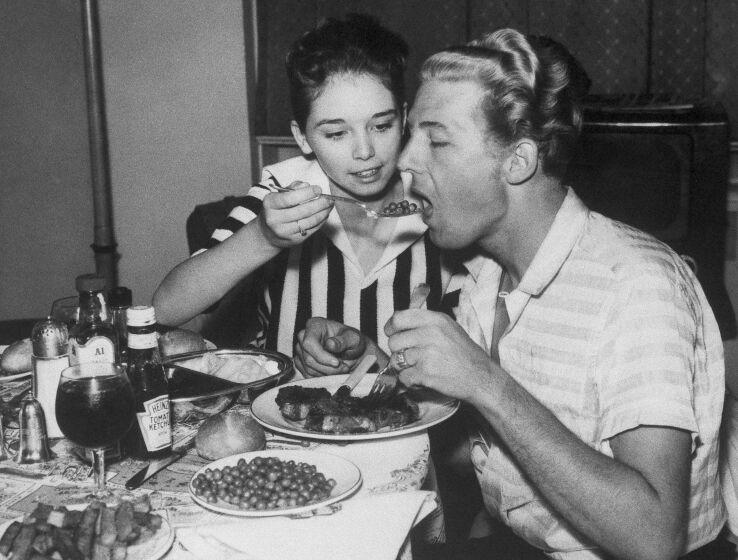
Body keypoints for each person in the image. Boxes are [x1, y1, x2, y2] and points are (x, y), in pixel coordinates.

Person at [295, 28, 732, 559]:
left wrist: (485, 383)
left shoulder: (636, 284)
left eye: (435, 139)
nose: (404, 162)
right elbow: (486, 459)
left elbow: (653, 536)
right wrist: (382, 373)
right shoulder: (483, 274)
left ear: (518, 161)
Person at [153, 14, 452, 361]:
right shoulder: (281, 190)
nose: (365, 151)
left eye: (381, 125)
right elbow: (165, 309)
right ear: (302, 137)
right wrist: (262, 237)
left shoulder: (440, 205)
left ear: (403, 120)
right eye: (336, 133)